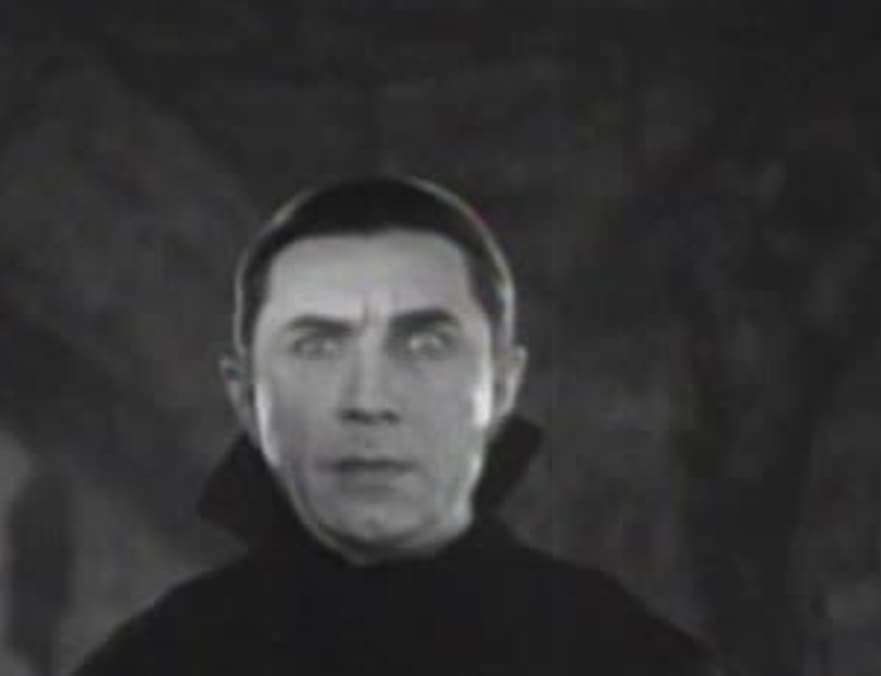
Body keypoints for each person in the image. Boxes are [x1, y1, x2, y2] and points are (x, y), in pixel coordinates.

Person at [73, 176, 719, 675]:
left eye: (425, 345)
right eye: (318, 346)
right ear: (246, 397)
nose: (369, 399)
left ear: (502, 386)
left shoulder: (624, 658)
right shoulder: (157, 663)